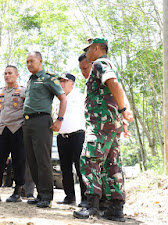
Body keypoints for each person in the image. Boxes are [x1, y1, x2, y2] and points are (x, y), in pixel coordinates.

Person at [73, 38, 133, 222]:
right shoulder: (106, 64)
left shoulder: (100, 63)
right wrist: (121, 116)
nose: (87, 53)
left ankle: (92, 207)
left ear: (96, 48)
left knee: (89, 158)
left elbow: (113, 83)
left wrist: (123, 110)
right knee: (111, 164)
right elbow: (114, 90)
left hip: (101, 123)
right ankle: (115, 208)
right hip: (109, 123)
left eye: (88, 49)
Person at [23, 51, 67, 208]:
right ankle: (40, 194)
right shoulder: (30, 80)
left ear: (40, 61)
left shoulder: (48, 78)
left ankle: (47, 196)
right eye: (27, 62)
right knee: (32, 159)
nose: (29, 64)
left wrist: (59, 120)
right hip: (27, 123)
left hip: (42, 121)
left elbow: (63, 98)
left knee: (42, 159)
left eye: (32, 61)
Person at [0, 65, 26, 202]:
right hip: (3, 130)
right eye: (5, 73)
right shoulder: (0, 92)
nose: (7, 75)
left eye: (10, 73)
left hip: (17, 129)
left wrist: (23, 125)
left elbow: (27, 110)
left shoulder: (23, 91)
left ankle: (18, 191)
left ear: (16, 75)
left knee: (19, 160)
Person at [53, 73, 87, 207]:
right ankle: (69, 196)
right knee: (65, 168)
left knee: (80, 168)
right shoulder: (57, 100)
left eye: (64, 81)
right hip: (62, 137)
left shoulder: (80, 97)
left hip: (77, 136)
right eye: (60, 81)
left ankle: (85, 198)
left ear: (72, 83)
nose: (61, 83)